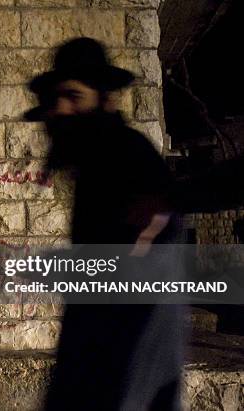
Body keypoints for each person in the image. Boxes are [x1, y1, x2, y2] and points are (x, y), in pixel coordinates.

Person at [24, 38, 185, 410]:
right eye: (55, 100)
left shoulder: (129, 161)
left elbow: (142, 306)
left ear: (105, 99)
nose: (60, 111)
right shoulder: (96, 166)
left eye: (74, 97)